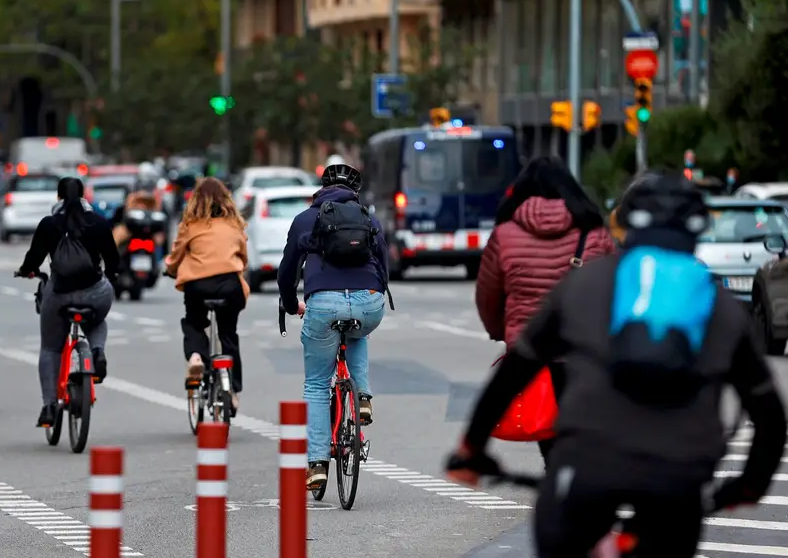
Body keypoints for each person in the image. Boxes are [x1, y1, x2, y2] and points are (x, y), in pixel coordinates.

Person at [447, 171, 787, 558]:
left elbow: (515, 371)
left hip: (587, 469)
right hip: (676, 482)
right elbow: (769, 415)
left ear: (623, 225)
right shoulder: (723, 307)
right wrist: (749, 485)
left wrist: (471, 448)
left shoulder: (584, 285)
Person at [475, 156, 615, 465]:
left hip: (531, 352)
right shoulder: (594, 233)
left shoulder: (505, 234)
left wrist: (500, 330)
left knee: (549, 430)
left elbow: (487, 296)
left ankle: (560, 483)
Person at [277, 162, 392, 491]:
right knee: (358, 330)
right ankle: (364, 396)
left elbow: (287, 271)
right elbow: (383, 261)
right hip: (369, 300)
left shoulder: (305, 219)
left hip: (323, 304)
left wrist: (289, 304)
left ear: (320, 188)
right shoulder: (367, 217)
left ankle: (316, 464)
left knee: (316, 385)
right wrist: (375, 291)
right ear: (354, 192)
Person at [16, 177, 121, 427]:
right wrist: (111, 274)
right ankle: (97, 352)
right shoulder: (97, 222)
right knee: (97, 320)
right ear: (85, 196)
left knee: (51, 348)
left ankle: (49, 406)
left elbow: (34, 259)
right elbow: (113, 260)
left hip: (60, 296)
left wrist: (26, 270)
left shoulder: (49, 224)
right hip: (95, 292)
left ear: (58, 198)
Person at [164, 177, 249, 412]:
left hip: (198, 286)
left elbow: (176, 256)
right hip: (229, 286)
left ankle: (196, 357)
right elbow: (243, 258)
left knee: (193, 322)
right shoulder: (234, 225)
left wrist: (170, 270)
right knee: (229, 334)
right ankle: (231, 390)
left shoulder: (190, 225)